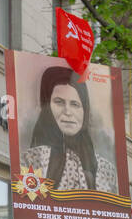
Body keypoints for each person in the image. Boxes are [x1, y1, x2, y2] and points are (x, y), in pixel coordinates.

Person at [20, 65, 115, 194]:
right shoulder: (31, 160)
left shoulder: (106, 170)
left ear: (85, 110)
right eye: (59, 102)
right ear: (46, 106)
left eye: (75, 104)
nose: (68, 112)